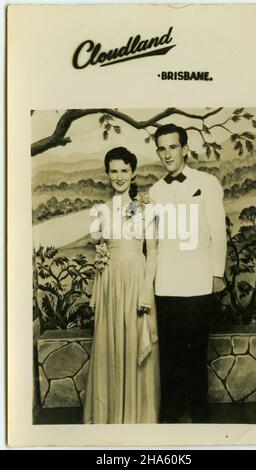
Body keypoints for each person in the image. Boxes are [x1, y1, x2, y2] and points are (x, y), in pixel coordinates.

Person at [149, 124, 227, 423]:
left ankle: (199, 411)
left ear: (184, 148)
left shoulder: (207, 182)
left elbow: (218, 232)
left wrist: (216, 274)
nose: (167, 154)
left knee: (195, 351)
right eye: (161, 148)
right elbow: (152, 240)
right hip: (166, 283)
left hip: (198, 282)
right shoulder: (155, 191)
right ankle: (171, 410)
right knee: (169, 353)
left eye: (172, 147)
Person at [83, 147, 160, 424]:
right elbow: (101, 253)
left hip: (135, 280)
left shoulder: (144, 208)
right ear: (107, 174)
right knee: (110, 348)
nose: (119, 176)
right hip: (110, 285)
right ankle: (111, 415)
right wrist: (96, 295)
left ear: (133, 172)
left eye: (124, 170)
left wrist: (146, 290)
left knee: (133, 343)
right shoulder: (101, 211)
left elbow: (152, 253)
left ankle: (137, 417)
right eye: (113, 170)